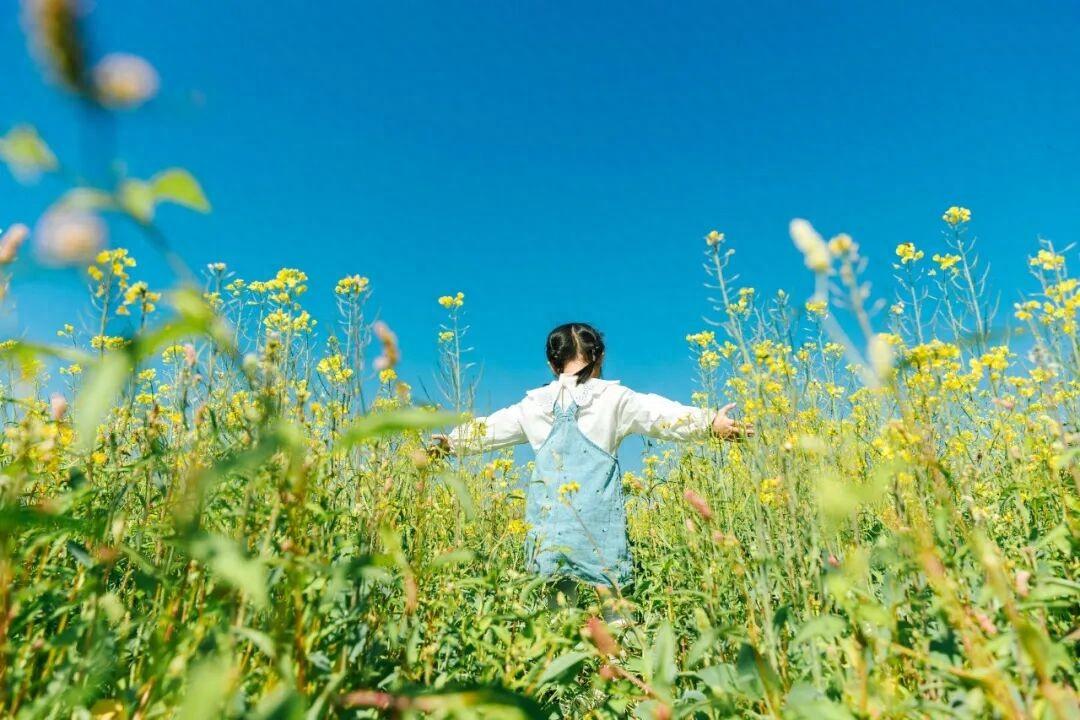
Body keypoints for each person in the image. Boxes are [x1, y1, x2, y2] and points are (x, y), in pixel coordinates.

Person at [431, 322, 748, 611]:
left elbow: (490, 428)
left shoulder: (535, 404)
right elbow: (660, 414)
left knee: (556, 611)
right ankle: (620, 653)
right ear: (600, 356)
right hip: (598, 524)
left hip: (549, 524)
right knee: (614, 605)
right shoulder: (613, 398)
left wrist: (451, 443)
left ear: (552, 364)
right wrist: (710, 422)